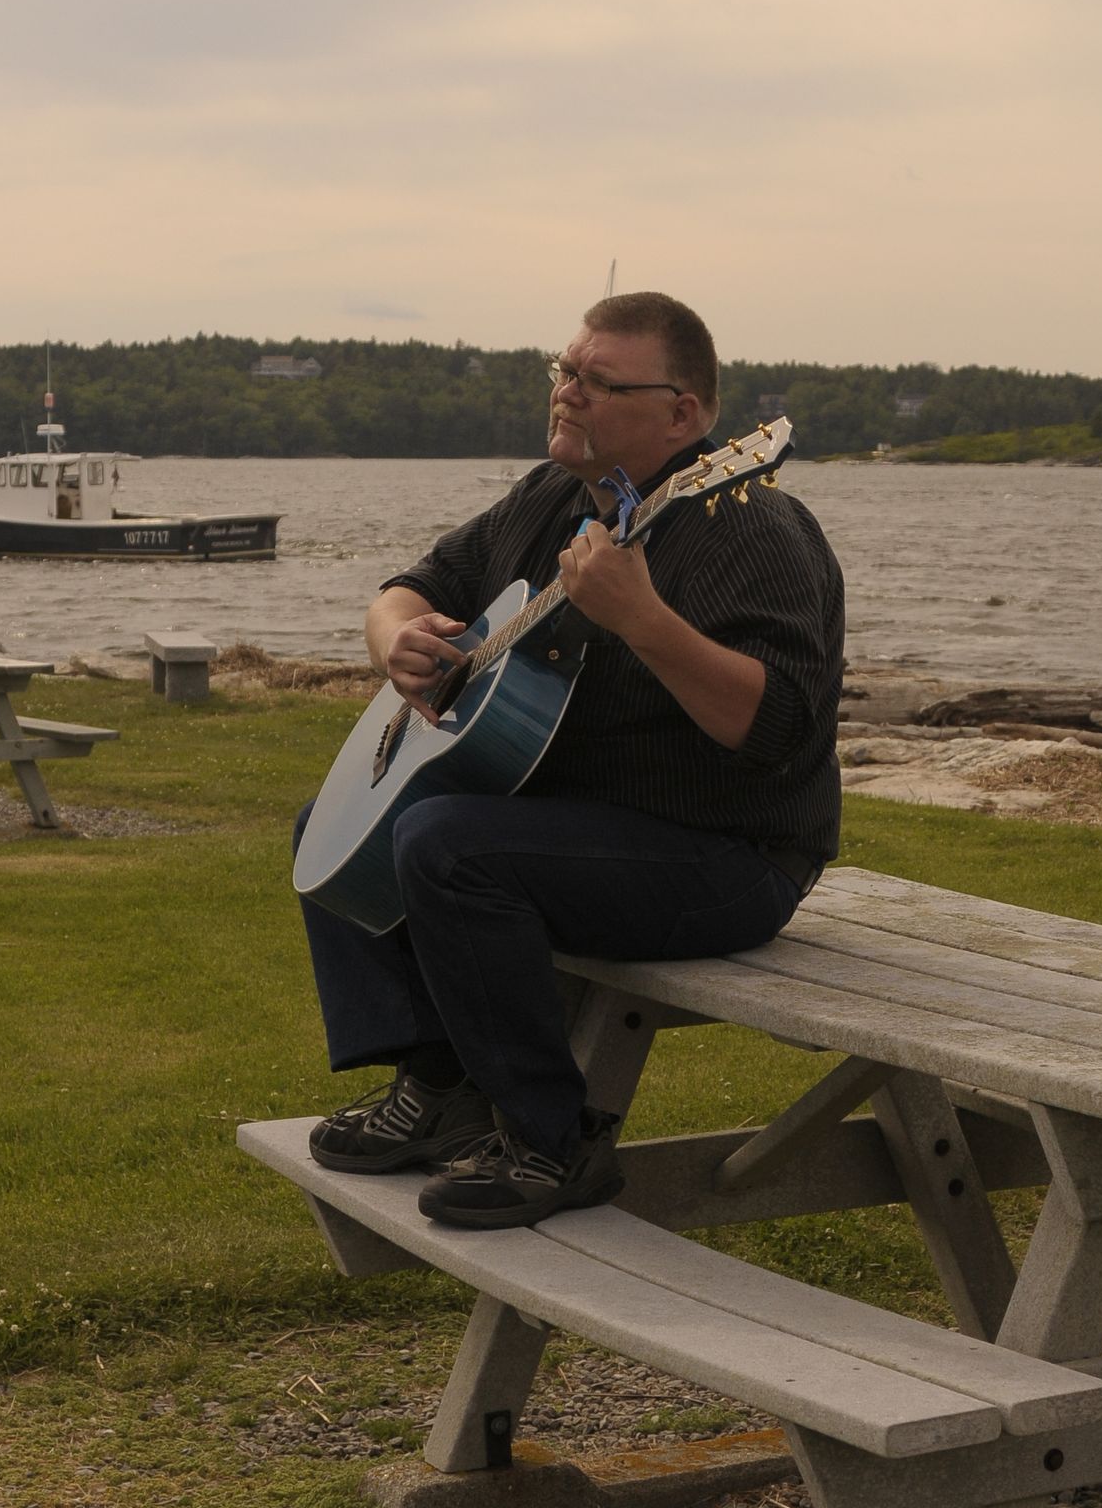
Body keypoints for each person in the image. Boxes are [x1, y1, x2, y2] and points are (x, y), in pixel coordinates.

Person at [296, 290, 845, 1230]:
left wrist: (642, 617)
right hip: (586, 831)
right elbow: (412, 585)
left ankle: (550, 1138)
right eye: (564, 370)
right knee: (336, 825)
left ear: (683, 415)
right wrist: (396, 639)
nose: (567, 392)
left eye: (600, 382)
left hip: (730, 854)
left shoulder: (752, 525)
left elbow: (778, 729)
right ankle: (437, 1083)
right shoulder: (551, 498)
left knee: (447, 844)